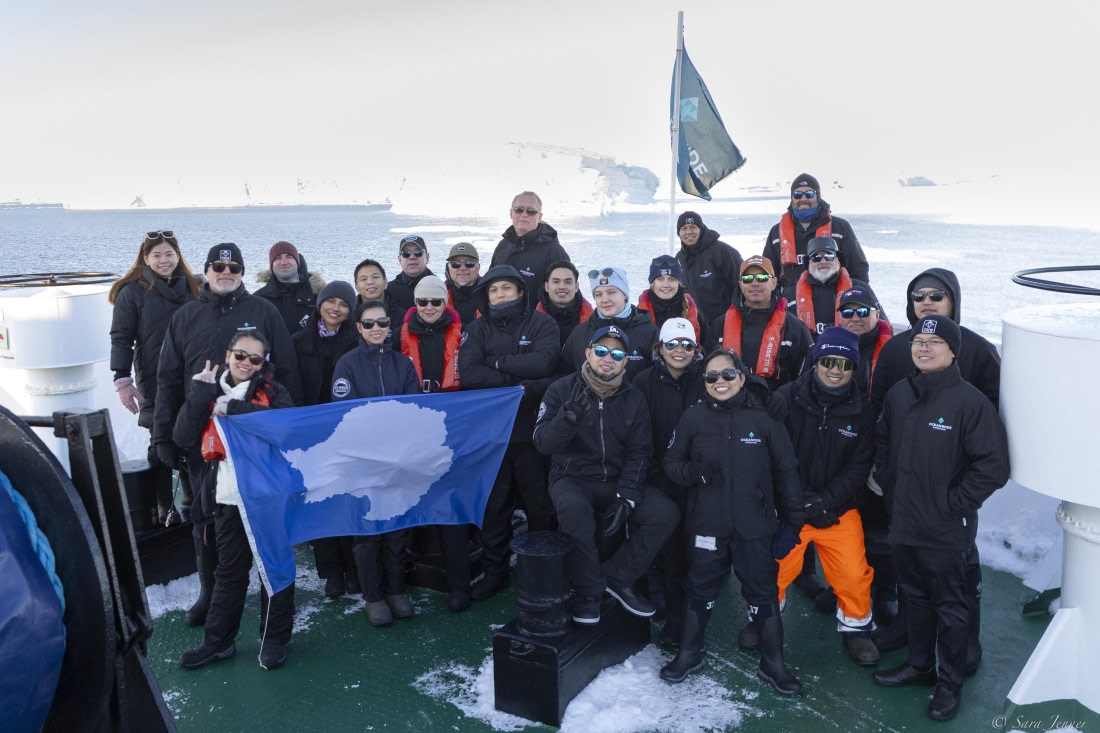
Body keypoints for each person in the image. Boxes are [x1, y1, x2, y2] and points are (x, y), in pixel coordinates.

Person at [153, 243, 301, 628]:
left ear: (242, 272)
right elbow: (168, 379)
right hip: (202, 439)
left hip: (254, 439)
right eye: (218, 267)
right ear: (206, 271)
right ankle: (211, 591)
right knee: (203, 517)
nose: (226, 272)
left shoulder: (263, 312)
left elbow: (287, 371)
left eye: (234, 267)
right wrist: (162, 436)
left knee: (263, 516)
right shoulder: (186, 316)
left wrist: (287, 430)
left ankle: (272, 594)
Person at [872, 315, 1009, 722]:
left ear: (952, 351)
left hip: (946, 528)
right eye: (918, 341)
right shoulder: (900, 393)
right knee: (914, 597)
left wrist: (954, 503)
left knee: (951, 607)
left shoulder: (970, 403)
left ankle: (949, 684)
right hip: (904, 521)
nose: (924, 348)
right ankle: (919, 666)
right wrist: (888, 481)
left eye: (934, 343)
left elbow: (993, 466)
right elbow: (883, 439)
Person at [660, 349, 805, 695]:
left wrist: (793, 522)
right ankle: (689, 652)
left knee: (762, 590)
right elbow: (671, 463)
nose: (719, 382)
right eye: (711, 376)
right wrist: (692, 472)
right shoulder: (693, 418)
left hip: (754, 525)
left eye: (727, 374)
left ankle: (773, 663)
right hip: (706, 525)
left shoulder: (765, 419)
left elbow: (787, 472)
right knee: (700, 586)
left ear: (742, 377)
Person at [533, 326, 678, 624]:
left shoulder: (634, 397)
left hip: (615, 478)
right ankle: (588, 591)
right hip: (572, 476)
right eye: (600, 351)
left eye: (616, 354)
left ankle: (616, 576)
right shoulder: (561, 389)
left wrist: (628, 495)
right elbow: (543, 443)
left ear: (625, 361)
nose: (607, 358)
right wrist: (566, 420)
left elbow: (640, 452)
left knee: (665, 513)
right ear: (588, 353)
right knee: (573, 510)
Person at [175, 330, 296, 670]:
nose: (246, 363)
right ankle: (218, 642)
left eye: (255, 358)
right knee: (229, 571)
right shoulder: (208, 388)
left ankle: (274, 639)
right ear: (228, 354)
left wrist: (237, 409)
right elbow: (183, 436)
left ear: (262, 363)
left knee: (274, 568)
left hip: (267, 498)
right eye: (240, 355)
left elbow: (286, 430)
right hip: (227, 499)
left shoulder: (274, 393)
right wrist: (198, 396)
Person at [763, 328, 878, 666]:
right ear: (815, 363)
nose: (835, 370)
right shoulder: (785, 398)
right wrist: (798, 501)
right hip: (791, 507)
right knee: (772, 568)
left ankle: (856, 630)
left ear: (854, 369)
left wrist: (824, 501)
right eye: (828, 361)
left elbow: (859, 467)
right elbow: (776, 456)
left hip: (837, 509)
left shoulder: (863, 411)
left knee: (853, 574)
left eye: (844, 364)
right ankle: (764, 620)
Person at [457, 265, 560, 600]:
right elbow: (470, 373)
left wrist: (497, 362)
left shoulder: (542, 324)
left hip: (533, 433)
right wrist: (518, 384)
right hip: (494, 435)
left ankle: (542, 571)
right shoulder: (477, 329)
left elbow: (544, 363)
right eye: (493, 290)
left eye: (506, 288)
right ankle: (496, 571)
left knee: (539, 506)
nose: (500, 295)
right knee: (495, 507)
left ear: (520, 291)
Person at [331, 299, 421, 626]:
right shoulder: (347, 364)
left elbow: (413, 408)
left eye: (382, 322)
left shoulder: (402, 364)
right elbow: (345, 413)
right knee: (368, 533)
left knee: (396, 529)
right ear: (359, 327)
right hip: (364, 461)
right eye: (368, 323)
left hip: (398, 459)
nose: (376, 328)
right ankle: (373, 596)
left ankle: (395, 590)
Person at [108, 230, 201, 526]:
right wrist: (123, 381)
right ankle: (161, 510)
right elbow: (121, 338)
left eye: (169, 254)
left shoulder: (195, 288)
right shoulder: (132, 292)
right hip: (154, 378)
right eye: (157, 255)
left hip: (193, 377)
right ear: (145, 259)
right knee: (160, 440)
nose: (164, 260)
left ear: (178, 256)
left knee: (192, 437)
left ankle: (193, 505)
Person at [397, 275, 473, 611]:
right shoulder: (397, 335)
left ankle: (459, 585)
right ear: (415, 304)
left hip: (451, 426)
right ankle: (399, 581)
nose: (429, 308)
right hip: (412, 427)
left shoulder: (465, 334)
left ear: (445, 303)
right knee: (407, 500)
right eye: (422, 302)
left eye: (436, 302)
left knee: (452, 502)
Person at [631, 318, 706, 645]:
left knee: (701, 553)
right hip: (659, 478)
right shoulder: (643, 382)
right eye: (672, 343)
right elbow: (637, 435)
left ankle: (696, 615)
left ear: (695, 349)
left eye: (686, 344)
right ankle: (676, 619)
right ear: (659, 348)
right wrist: (654, 476)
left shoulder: (707, 379)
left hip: (700, 479)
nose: (679, 350)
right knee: (670, 553)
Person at [292, 280, 361, 599]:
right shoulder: (298, 341)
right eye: (331, 301)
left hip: (346, 433)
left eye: (344, 304)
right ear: (319, 304)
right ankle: (331, 571)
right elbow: (290, 384)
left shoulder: (355, 341)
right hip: (311, 435)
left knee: (348, 499)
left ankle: (354, 568)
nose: (336, 308)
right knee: (319, 501)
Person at [708, 255, 812, 390]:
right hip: (731, 398)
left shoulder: (795, 328)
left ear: (774, 283)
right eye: (747, 279)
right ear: (740, 284)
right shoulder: (719, 326)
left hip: (776, 400)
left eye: (762, 278)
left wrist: (781, 397)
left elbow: (805, 378)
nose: (755, 283)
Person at [763, 173, 869, 300]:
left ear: (817, 196)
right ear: (792, 198)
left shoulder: (840, 228)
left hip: (833, 303)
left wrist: (857, 300)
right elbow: (767, 273)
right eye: (797, 194)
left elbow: (859, 269)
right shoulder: (776, 232)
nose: (803, 199)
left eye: (809, 194)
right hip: (790, 304)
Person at [560, 267, 658, 382]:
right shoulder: (580, 333)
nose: (605, 300)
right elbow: (564, 373)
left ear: (624, 294)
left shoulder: (649, 332)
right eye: (598, 294)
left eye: (611, 292)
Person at [490, 190, 571, 307]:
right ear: (511, 213)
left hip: (535, 318)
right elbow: (490, 283)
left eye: (531, 211)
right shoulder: (503, 245)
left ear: (539, 216)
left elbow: (564, 298)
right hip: (499, 316)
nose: (524, 214)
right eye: (519, 209)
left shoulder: (554, 252)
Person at [788, 236, 874, 339]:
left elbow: (881, 325)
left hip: (849, 346)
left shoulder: (861, 289)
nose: (823, 261)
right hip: (807, 347)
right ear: (809, 263)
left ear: (838, 261)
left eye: (829, 256)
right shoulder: (790, 295)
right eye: (816, 257)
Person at [673, 211, 743, 322]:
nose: (689, 232)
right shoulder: (679, 258)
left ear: (701, 229)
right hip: (697, 324)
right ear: (679, 232)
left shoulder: (722, 252)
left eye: (693, 227)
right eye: (684, 228)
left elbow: (741, 286)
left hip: (726, 321)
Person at [254, 240, 325, 334]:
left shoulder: (319, 295)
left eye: (289, 256)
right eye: (278, 258)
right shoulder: (258, 299)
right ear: (271, 264)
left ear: (297, 262)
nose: (283, 262)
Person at [638, 254, 709, 345]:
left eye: (672, 279)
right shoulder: (638, 315)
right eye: (660, 279)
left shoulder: (696, 315)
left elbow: (706, 347)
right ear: (653, 284)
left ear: (679, 283)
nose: (666, 285)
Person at [836, 285, 893, 398]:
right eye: (847, 312)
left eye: (863, 311)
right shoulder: (824, 349)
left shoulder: (893, 350)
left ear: (877, 315)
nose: (855, 318)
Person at [536, 260, 593, 348]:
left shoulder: (593, 322)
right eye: (556, 281)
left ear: (576, 287)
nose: (562, 287)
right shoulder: (532, 322)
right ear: (546, 287)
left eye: (568, 282)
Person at [388, 235, 437, 314]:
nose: (412, 257)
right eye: (406, 253)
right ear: (399, 259)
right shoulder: (389, 291)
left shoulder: (439, 287)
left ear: (427, 257)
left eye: (418, 252)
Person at [353, 258, 402, 324]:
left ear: (385, 283)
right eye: (364, 279)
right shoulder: (349, 316)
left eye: (375, 277)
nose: (370, 282)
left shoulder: (401, 316)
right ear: (357, 287)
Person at [442, 242, 481, 327]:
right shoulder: (438, 294)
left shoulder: (491, 292)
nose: (462, 268)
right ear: (448, 267)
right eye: (455, 264)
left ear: (478, 267)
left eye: (469, 263)